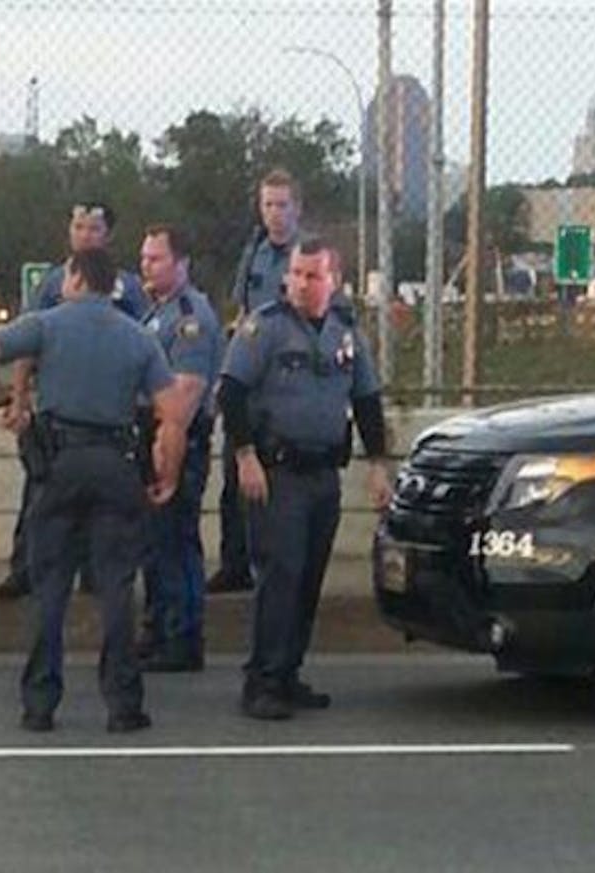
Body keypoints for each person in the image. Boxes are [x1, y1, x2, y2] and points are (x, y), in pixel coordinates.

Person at [0, 249, 192, 734]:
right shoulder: (138, 337)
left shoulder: (46, 324)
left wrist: (5, 400)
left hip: (58, 465)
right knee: (115, 587)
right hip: (115, 465)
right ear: (110, 286)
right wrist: (167, 473)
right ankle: (123, 704)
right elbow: (172, 414)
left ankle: (40, 703)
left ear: (73, 278)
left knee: (50, 588)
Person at [217, 237, 393, 721]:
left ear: (333, 281)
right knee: (281, 575)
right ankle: (263, 680)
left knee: (308, 579)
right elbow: (231, 393)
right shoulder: (266, 328)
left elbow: (367, 401)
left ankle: (288, 671)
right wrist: (245, 455)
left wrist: (377, 464)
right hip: (278, 474)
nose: (300, 283)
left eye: (312, 275)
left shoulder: (344, 332)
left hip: (322, 475)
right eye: (295, 273)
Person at [0, 201, 150, 601]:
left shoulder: (128, 287)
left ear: (108, 235)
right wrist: (18, 398)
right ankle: (26, 568)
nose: (85, 235)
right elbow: (26, 346)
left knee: (103, 509)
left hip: (111, 415)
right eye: (78, 227)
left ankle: (96, 574)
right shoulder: (52, 284)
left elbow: (147, 346)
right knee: (40, 493)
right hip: (57, 414)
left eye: (94, 228)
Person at [209, 170, 304, 595]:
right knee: (236, 473)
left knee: (282, 482)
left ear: (296, 209)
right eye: (268, 205)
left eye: (282, 205)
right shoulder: (256, 252)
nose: (275, 214)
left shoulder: (308, 257)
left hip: (288, 377)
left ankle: (278, 566)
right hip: (251, 373)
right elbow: (242, 307)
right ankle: (235, 564)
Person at [135, 225, 223, 673]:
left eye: (156, 258)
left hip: (175, 440)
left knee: (174, 541)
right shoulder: (157, 312)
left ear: (181, 264)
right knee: (155, 543)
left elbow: (185, 397)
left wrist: (165, 456)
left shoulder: (190, 319)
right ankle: (158, 627)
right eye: (145, 257)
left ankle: (182, 636)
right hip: (152, 436)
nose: (146, 265)